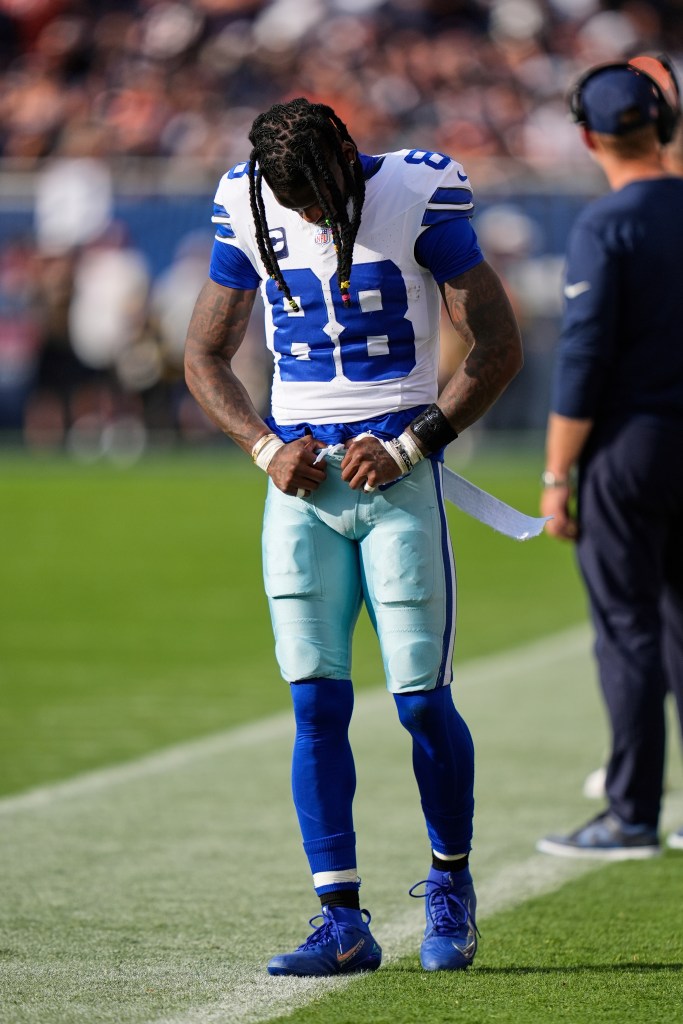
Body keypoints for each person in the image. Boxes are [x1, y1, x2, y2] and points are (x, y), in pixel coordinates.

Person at [184, 97, 523, 975]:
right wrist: (263, 446)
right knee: (314, 705)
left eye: (313, 194)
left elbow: (496, 345)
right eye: (286, 198)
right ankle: (340, 920)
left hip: (398, 477)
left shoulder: (416, 188)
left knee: (419, 700)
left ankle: (449, 883)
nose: (302, 214)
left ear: (343, 156)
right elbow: (204, 355)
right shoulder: (247, 201)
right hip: (300, 488)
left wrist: (413, 442)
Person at [537, 56, 683, 859]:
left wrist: (557, 476)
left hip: (631, 449)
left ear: (588, 135)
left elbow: (582, 356)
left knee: (626, 630)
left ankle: (630, 813)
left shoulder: (607, 223)